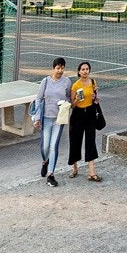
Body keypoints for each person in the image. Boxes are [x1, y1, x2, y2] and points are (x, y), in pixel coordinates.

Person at [33, 57, 73, 186]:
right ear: (53, 68)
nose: (60, 70)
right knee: (45, 146)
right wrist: (38, 117)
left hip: (58, 119)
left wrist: (66, 104)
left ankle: (50, 174)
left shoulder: (67, 82)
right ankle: (45, 161)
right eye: (58, 68)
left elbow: (69, 98)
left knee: (53, 146)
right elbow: (38, 99)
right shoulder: (45, 81)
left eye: (62, 68)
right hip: (46, 118)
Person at [67, 60, 102, 181]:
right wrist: (76, 99)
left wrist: (95, 96)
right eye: (83, 69)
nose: (85, 71)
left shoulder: (93, 82)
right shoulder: (75, 85)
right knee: (75, 141)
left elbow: (96, 100)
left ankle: (92, 172)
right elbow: (72, 105)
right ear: (79, 71)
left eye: (87, 69)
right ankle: (74, 168)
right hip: (78, 114)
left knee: (90, 141)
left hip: (90, 113)